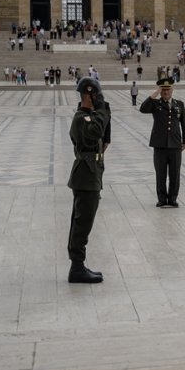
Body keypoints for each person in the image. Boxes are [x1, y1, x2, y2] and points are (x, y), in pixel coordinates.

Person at [66, 77, 110, 284]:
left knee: (82, 221)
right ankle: (76, 267)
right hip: (86, 176)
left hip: (90, 173)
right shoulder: (81, 119)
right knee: (82, 223)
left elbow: (100, 136)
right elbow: (95, 132)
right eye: (97, 96)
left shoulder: (87, 117)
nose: (99, 99)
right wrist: (102, 111)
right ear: (89, 95)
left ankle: (78, 265)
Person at [140, 77, 185, 207]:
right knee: (160, 173)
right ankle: (162, 199)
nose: (166, 92)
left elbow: (184, 124)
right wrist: (155, 94)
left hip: (175, 144)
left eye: (168, 89)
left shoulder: (179, 104)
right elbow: (142, 108)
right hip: (160, 144)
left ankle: (172, 199)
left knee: (175, 173)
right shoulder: (156, 104)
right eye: (163, 90)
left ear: (172, 90)